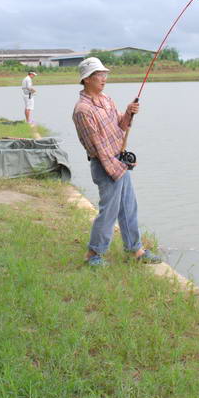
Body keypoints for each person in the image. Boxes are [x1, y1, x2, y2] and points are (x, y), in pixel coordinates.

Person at [72, 57, 162, 268]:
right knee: (109, 211)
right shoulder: (83, 110)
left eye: (104, 74)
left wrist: (128, 113)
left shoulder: (107, 100)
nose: (104, 78)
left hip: (118, 162)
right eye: (98, 75)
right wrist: (119, 167)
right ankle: (93, 254)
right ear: (86, 79)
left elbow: (120, 126)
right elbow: (98, 147)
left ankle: (135, 250)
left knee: (128, 207)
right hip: (105, 166)